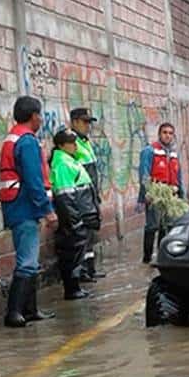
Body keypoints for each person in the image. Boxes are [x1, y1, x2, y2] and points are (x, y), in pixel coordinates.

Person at [0, 96, 57, 327]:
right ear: (34, 116)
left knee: (30, 262)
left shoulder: (14, 137)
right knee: (27, 262)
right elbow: (34, 180)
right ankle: (14, 313)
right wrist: (48, 210)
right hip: (24, 207)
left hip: (17, 206)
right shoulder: (27, 141)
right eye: (40, 115)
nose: (41, 119)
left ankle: (30, 310)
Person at [49, 129, 100, 300]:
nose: (75, 146)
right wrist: (75, 221)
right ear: (61, 145)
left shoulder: (71, 160)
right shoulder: (63, 164)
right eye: (71, 143)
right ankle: (71, 289)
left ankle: (75, 287)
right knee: (71, 253)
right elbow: (65, 197)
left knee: (77, 252)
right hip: (74, 218)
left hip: (80, 215)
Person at [137, 122, 184, 263]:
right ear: (159, 134)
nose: (168, 135)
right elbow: (144, 174)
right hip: (155, 194)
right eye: (165, 132)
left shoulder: (174, 153)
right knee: (152, 226)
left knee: (167, 225)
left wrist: (181, 193)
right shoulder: (149, 151)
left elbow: (178, 174)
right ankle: (147, 258)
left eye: (170, 133)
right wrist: (148, 192)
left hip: (171, 194)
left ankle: (161, 256)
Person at [69, 107, 106, 280]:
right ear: (75, 121)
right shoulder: (71, 141)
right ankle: (81, 271)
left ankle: (90, 269)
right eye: (84, 122)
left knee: (91, 232)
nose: (87, 126)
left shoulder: (85, 141)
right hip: (81, 196)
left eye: (89, 122)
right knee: (82, 233)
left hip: (91, 194)